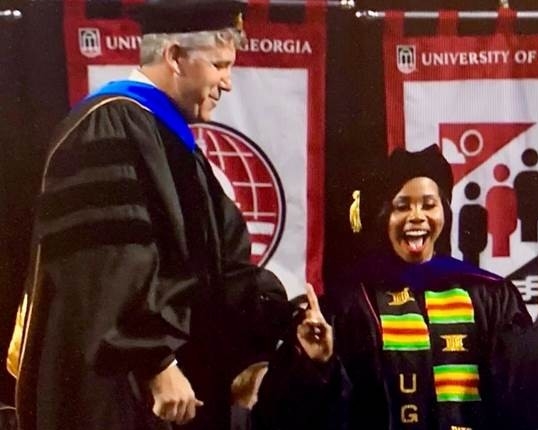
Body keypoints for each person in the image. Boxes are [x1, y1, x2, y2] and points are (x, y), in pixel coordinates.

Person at [6, 1, 323, 429]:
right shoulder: (107, 124)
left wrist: (278, 323)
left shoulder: (174, 145)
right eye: (219, 65)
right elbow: (105, 261)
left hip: (174, 402)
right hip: (118, 394)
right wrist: (155, 361)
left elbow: (220, 270)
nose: (228, 83)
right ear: (175, 56)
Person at [252, 144, 538, 430]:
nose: (417, 216)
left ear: (444, 213)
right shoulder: (351, 304)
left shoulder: (486, 294)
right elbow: (295, 414)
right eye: (402, 205)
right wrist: (317, 362)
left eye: (429, 205)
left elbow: (522, 395)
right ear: (383, 216)